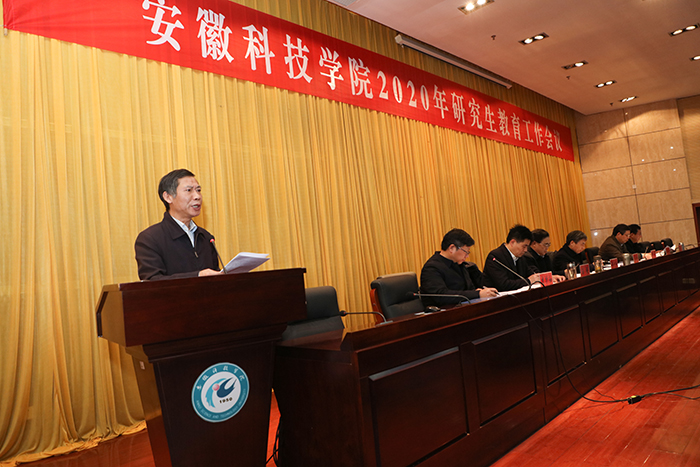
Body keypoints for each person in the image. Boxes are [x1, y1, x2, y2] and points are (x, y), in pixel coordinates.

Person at [135, 169, 222, 280]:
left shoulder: (206, 237)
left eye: (198, 190)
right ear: (168, 197)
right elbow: (152, 280)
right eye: (189, 190)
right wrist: (198, 276)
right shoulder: (150, 238)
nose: (197, 196)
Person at [420, 228, 499, 307]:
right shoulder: (431, 268)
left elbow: (468, 288)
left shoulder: (460, 264)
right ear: (452, 248)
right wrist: (477, 294)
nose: (467, 256)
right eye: (466, 252)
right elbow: (442, 296)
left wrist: (476, 291)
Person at [483, 225, 540, 291]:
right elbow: (504, 284)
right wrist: (528, 281)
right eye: (524, 246)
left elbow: (530, 274)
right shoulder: (495, 257)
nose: (526, 250)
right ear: (512, 242)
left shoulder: (521, 257)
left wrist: (539, 277)